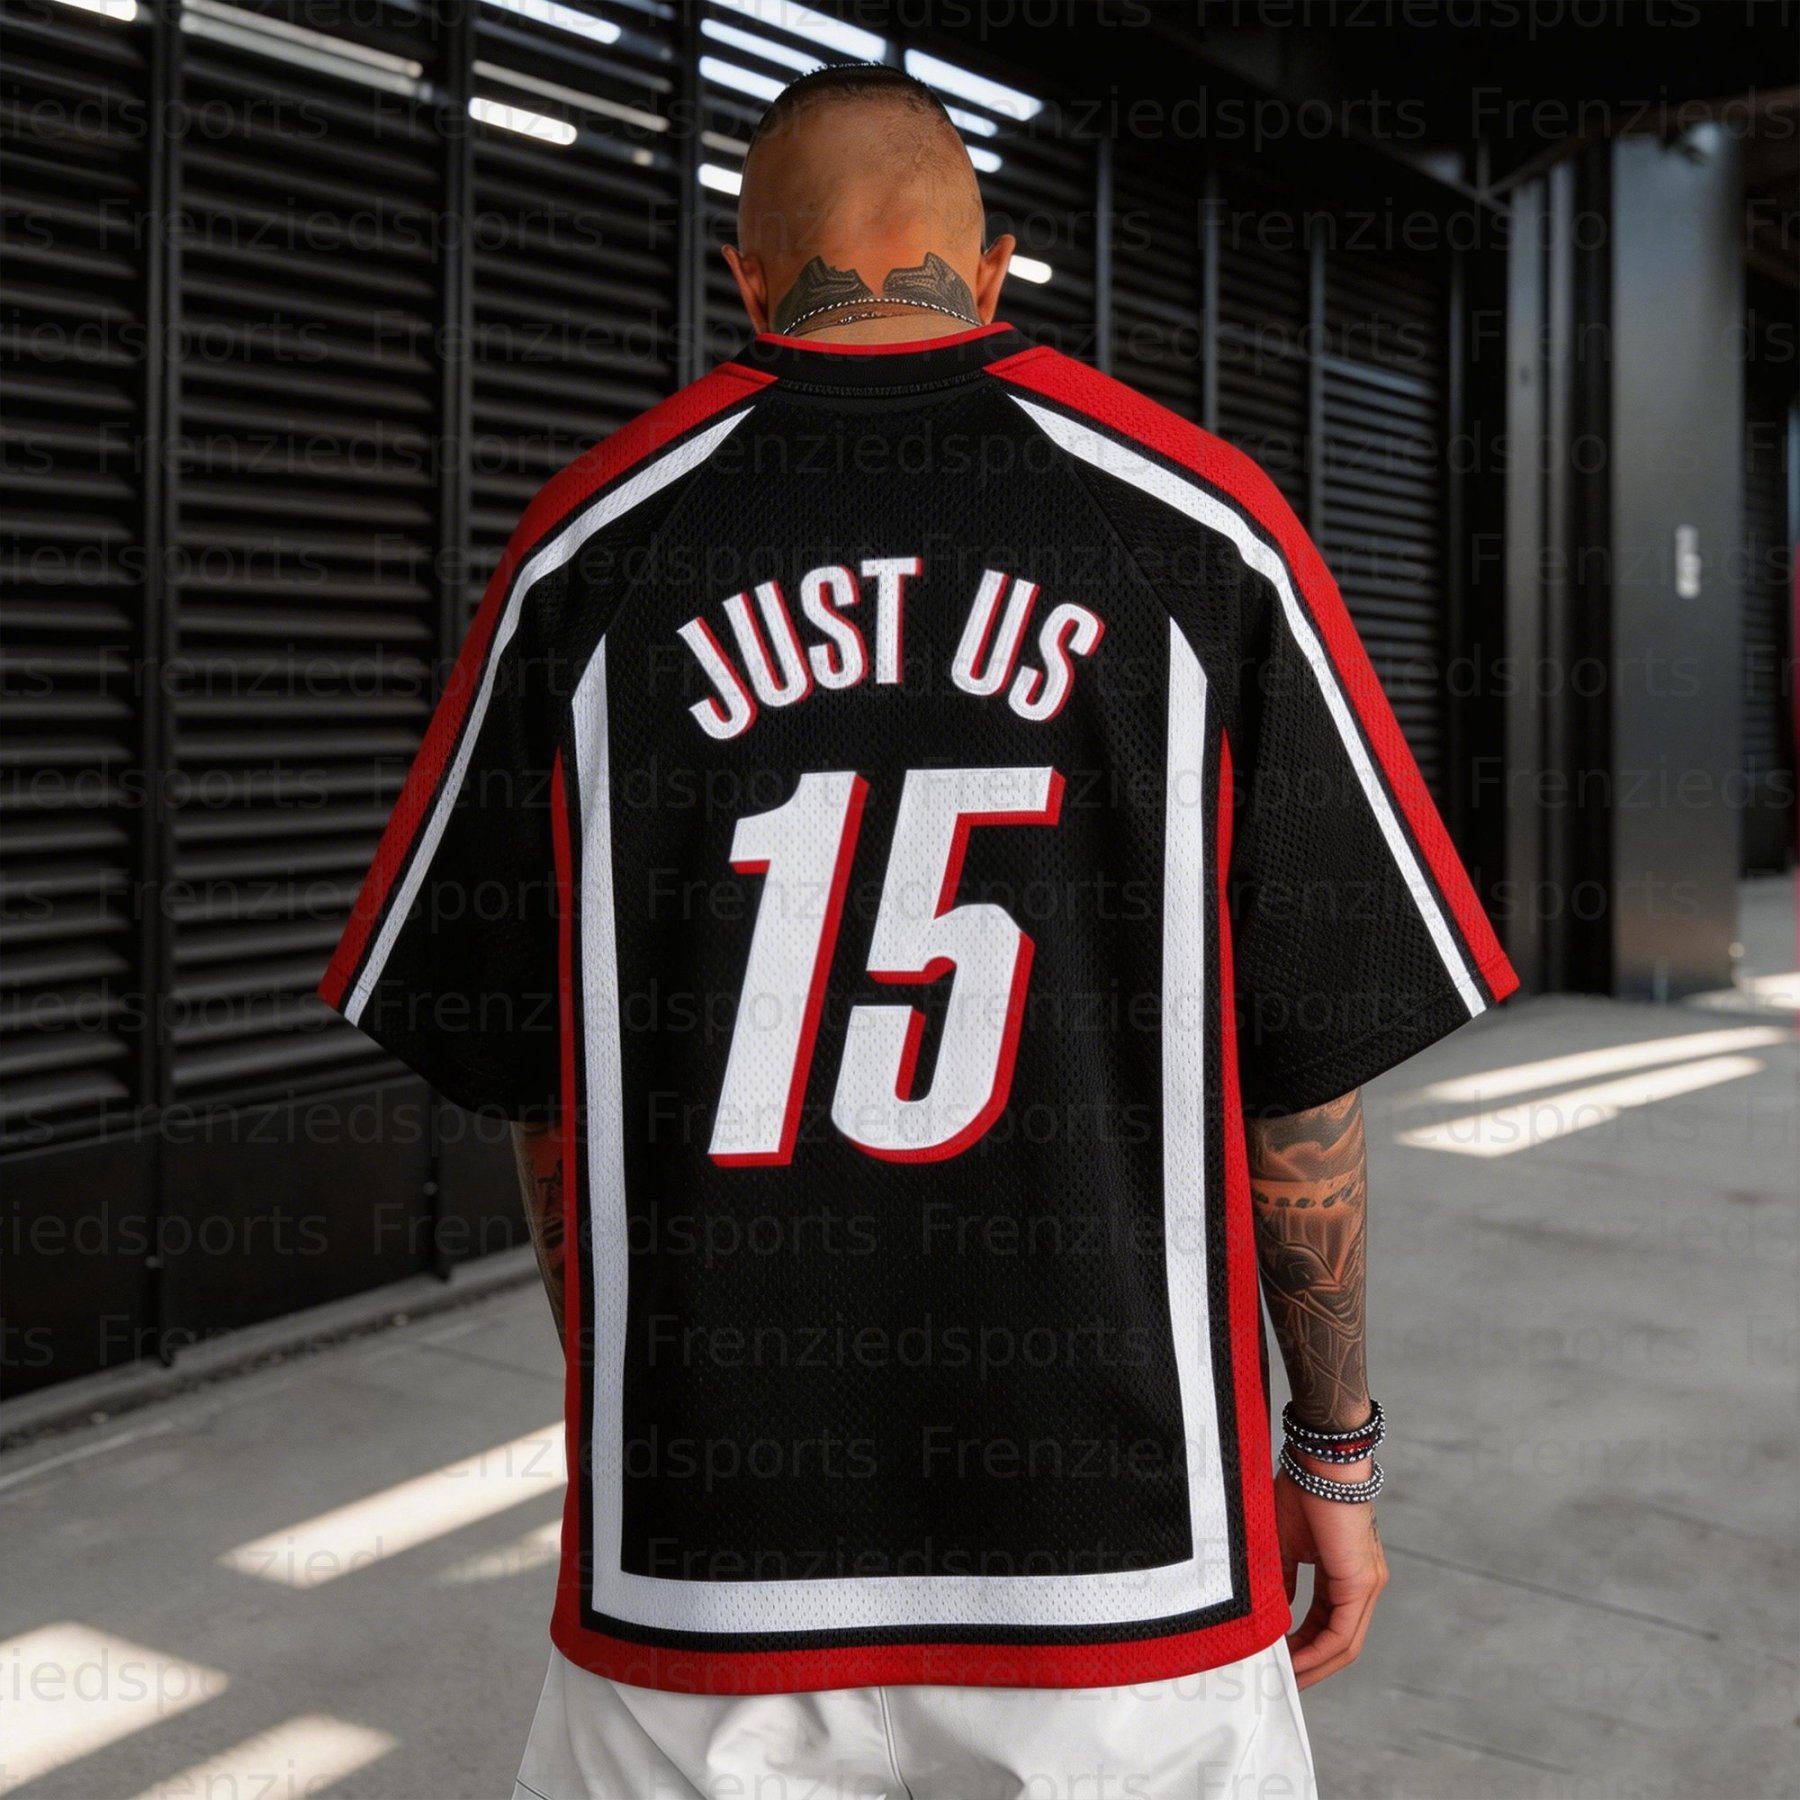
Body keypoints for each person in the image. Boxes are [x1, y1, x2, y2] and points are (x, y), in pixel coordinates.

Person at [321, 61, 1517, 1800]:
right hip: (1123, 1578)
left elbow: (546, 1095)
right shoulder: (1205, 534)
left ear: (745, 275)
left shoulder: (584, 559)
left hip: (706, 1568)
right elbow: (1298, 1092)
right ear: (997, 262)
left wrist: (654, 1412)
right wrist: (1334, 1457)